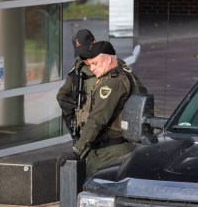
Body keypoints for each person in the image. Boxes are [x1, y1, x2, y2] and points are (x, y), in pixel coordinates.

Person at [57, 41, 140, 176]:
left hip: (109, 153)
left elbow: (97, 118)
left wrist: (76, 151)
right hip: (113, 150)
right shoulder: (117, 76)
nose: (92, 68)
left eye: (95, 63)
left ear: (108, 60)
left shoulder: (112, 83)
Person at [56, 29, 96, 142]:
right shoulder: (79, 67)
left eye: (85, 52)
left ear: (94, 43)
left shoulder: (108, 63)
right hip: (82, 130)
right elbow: (63, 93)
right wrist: (67, 102)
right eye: (81, 54)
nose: (84, 57)